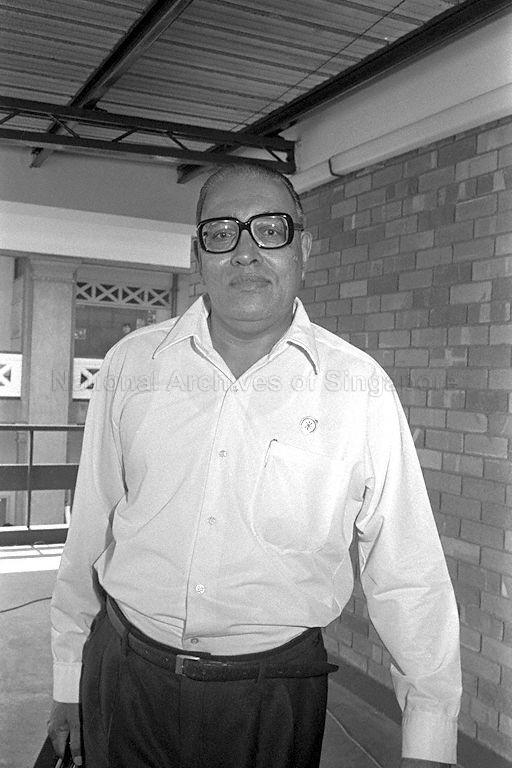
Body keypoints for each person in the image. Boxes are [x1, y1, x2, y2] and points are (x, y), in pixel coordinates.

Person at [48, 163, 461, 768]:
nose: (245, 252)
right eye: (221, 232)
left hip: (272, 699)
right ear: (197, 255)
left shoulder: (358, 388)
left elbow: (407, 568)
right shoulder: (131, 366)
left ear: (303, 250)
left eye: (269, 229)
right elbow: (92, 525)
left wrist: (430, 735)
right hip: (126, 678)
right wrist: (67, 679)